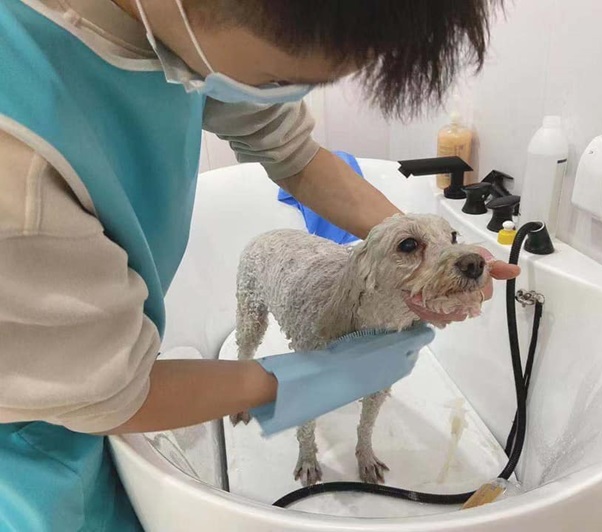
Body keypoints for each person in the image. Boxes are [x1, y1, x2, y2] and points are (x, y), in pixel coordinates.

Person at [0, 0, 520, 529]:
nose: (287, 98)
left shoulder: (180, 39)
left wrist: (413, 254)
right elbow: (114, 395)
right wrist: (302, 378)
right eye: (281, 77)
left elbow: (293, 152)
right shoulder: (18, 168)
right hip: (30, 455)